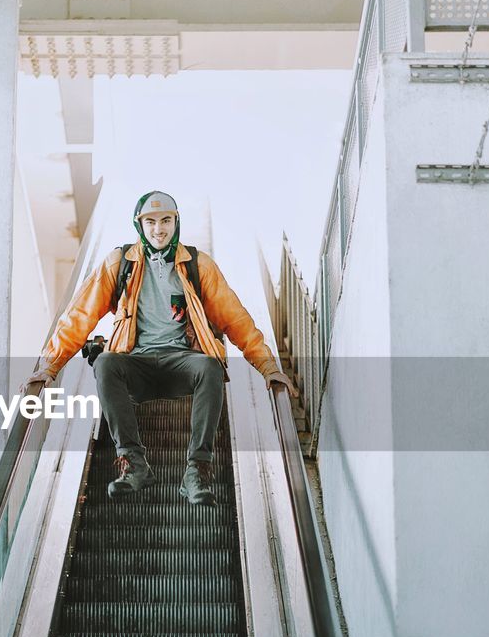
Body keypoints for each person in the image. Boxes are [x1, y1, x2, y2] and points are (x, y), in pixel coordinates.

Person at [23, 191, 296, 505]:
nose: (158, 229)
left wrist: (269, 368)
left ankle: (197, 472)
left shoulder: (197, 265)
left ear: (176, 222)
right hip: (136, 364)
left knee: (209, 366)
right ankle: (134, 464)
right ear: (139, 226)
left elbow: (237, 320)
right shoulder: (119, 263)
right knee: (106, 363)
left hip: (182, 362)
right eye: (150, 222)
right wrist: (49, 366)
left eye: (166, 220)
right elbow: (79, 317)